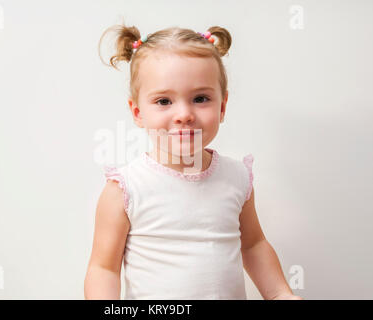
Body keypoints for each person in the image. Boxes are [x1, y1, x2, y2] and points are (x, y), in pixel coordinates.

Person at [84, 23, 303, 300]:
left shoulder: (237, 177)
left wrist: (280, 294)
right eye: (164, 101)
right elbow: (104, 268)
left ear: (222, 107)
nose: (184, 114)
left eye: (200, 98)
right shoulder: (126, 188)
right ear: (138, 113)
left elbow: (254, 246)